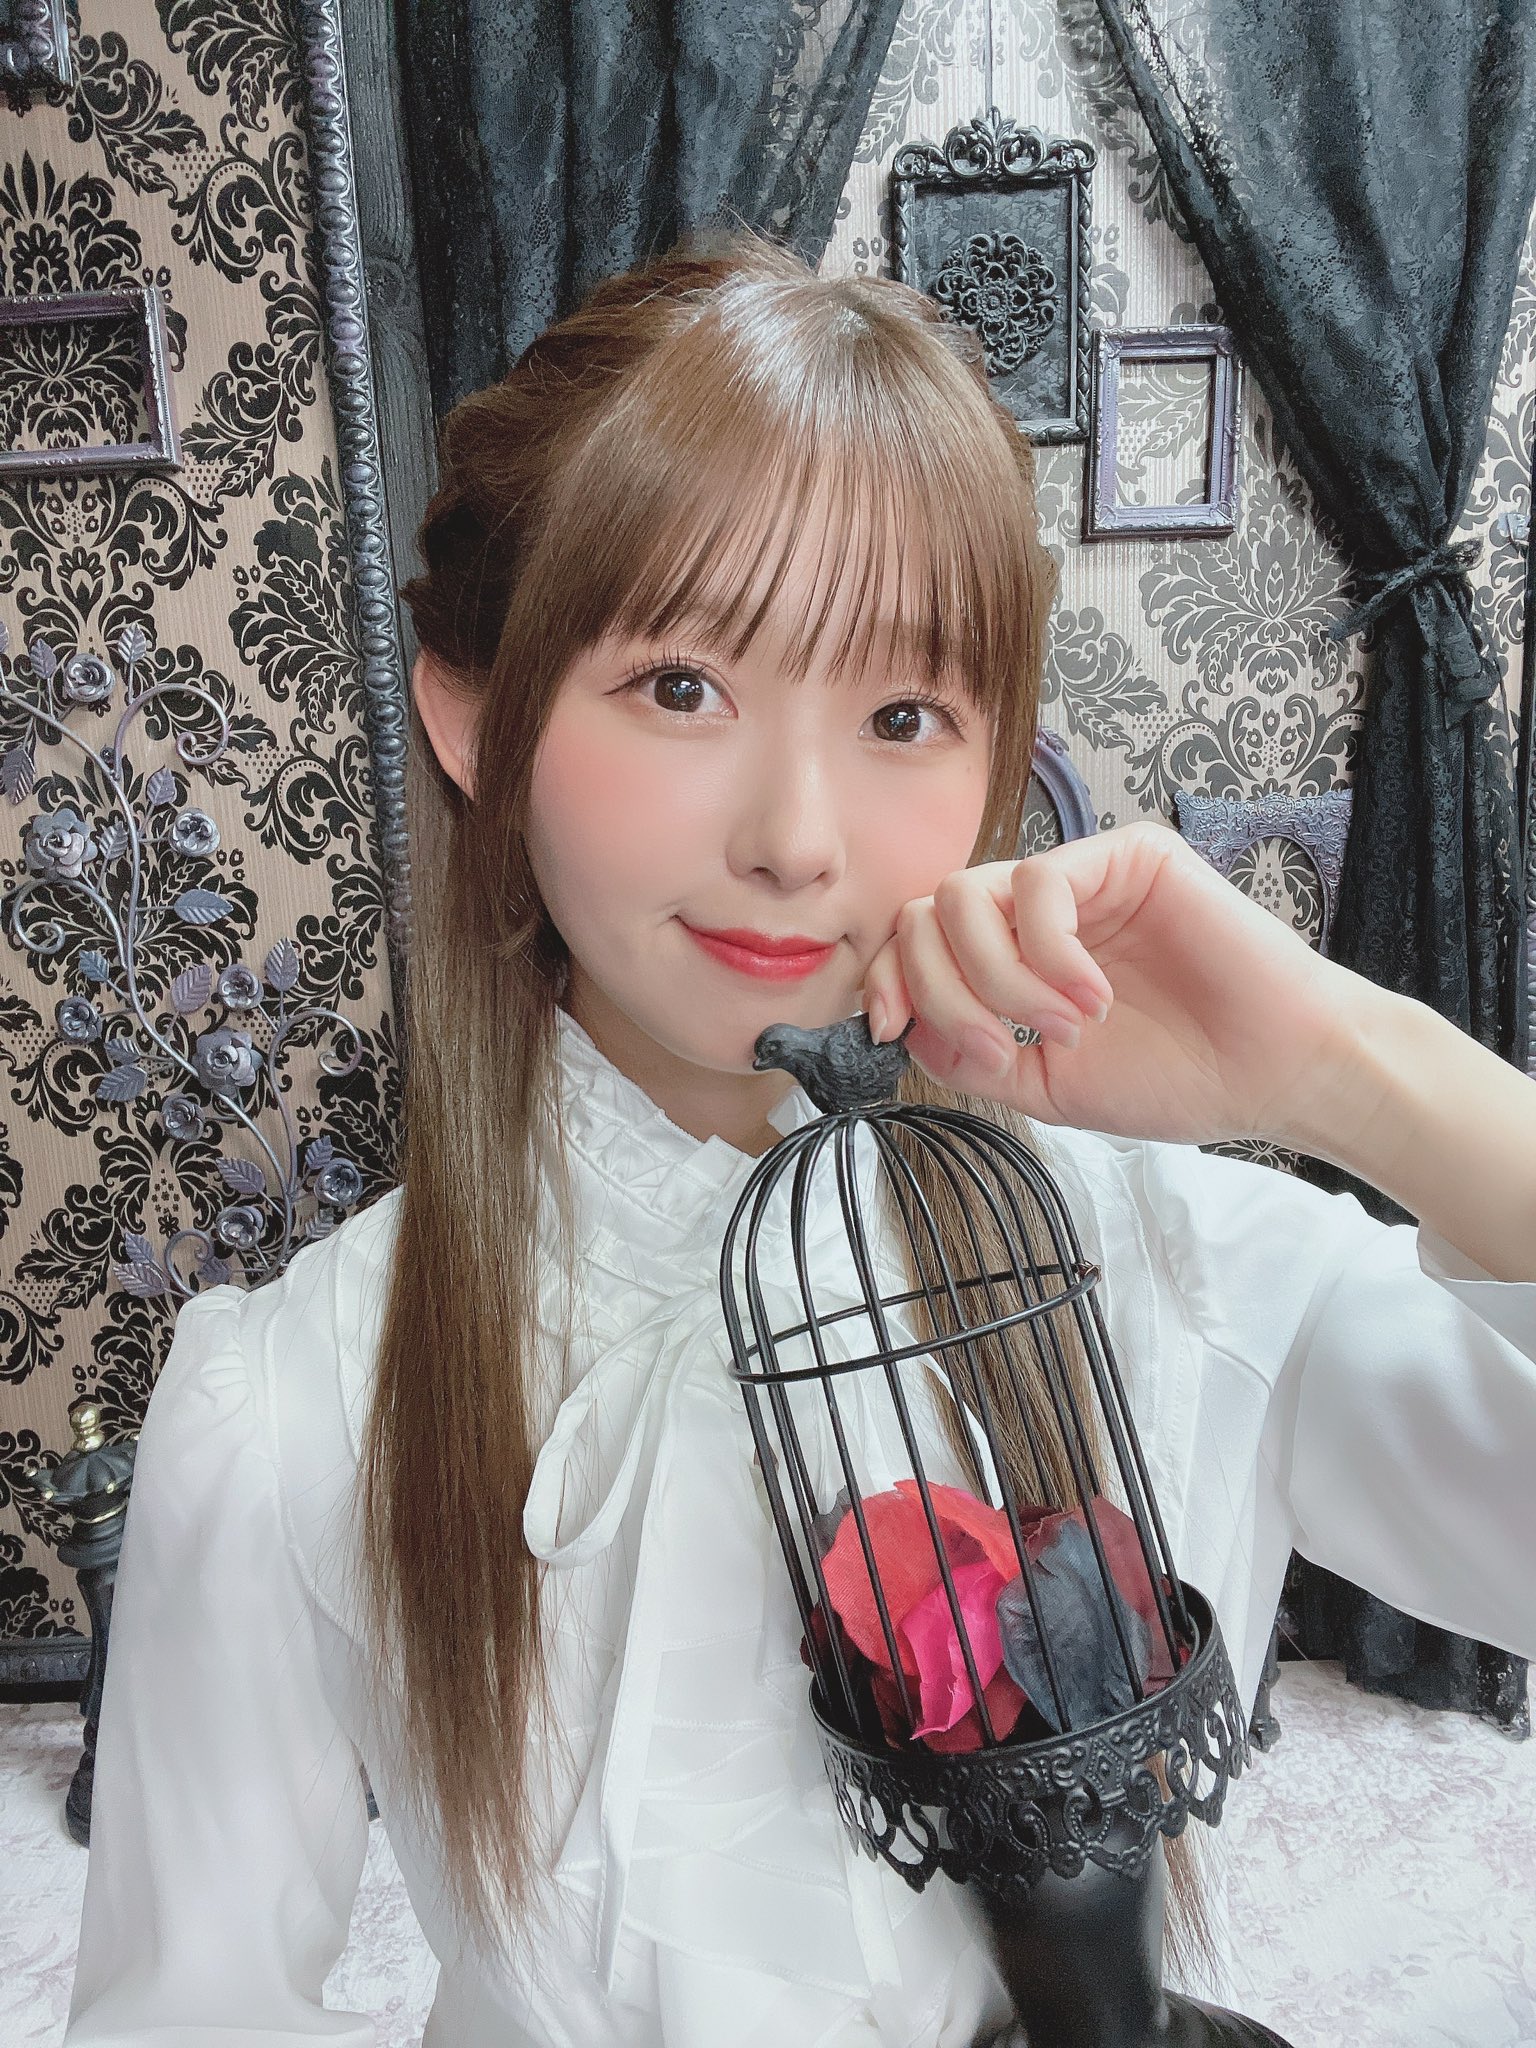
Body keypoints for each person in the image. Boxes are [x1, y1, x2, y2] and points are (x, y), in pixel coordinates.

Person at [63, 227, 1536, 2048]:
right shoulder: (296, 1398)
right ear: (477, 716)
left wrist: (1348, 1071)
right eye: (681, 685)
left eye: (903, 714)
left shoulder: (1174, 1258)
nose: (796, 838)